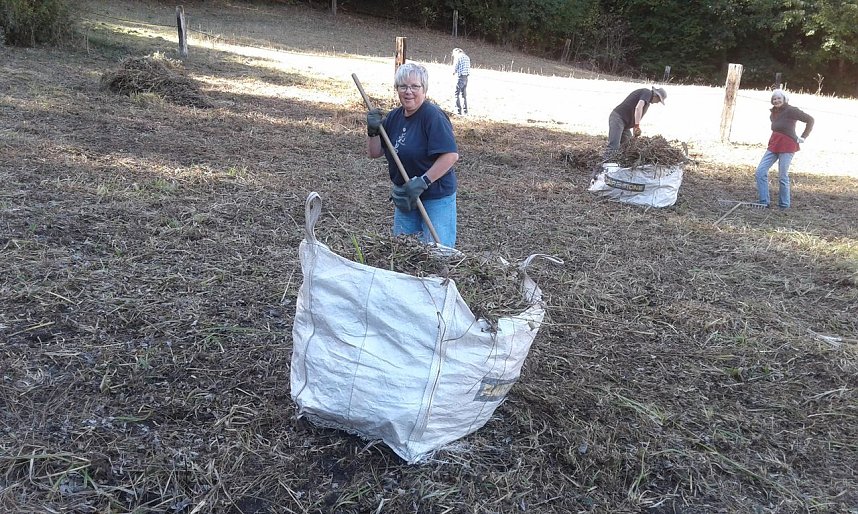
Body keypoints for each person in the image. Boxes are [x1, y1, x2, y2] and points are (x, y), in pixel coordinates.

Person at [366, 62, 460, 247]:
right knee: (403, 251)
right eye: (403, 86)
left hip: (435, 196)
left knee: (437, 252)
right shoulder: (394, 117)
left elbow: (450, 156)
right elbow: (374, 152)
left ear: (424, 89)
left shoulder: (433, 116)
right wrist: (372, 131)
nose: (408, 91)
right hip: (405, 196)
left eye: (415, 86)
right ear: (397, 89)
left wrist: (423, 181)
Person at [754, 89, 814, 209]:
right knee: (760, 171)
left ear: (784, 99)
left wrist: (803, 136)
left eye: (779, 98)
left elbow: (810, 120)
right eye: (774, 99)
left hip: (787, 145)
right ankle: (764, 201)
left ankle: (784, 205)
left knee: (782, 176)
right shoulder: (773, 113)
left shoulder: (792, 110)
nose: (776, 100)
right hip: (774, 144)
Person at [604, 86, 667, 161]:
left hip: (625, 125)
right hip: (618, 118)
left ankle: (619, 164)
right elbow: (638, 108)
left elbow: (636, 117)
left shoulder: (647, 104)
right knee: (613, 147)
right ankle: (605, 165)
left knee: (628, 146)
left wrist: (635, 132)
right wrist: (637, 126)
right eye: (659, 100)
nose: (657, 102)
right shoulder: (647, 93)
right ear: (656, 95)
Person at [451, 48, 470, 115]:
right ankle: (465, 111)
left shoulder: (458, 57)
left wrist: (453, 72)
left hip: (460, 77)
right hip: (466, 78)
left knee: (456, 94)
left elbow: (455, 67)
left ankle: (458, 111)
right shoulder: (467, 57)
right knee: (463, 95)